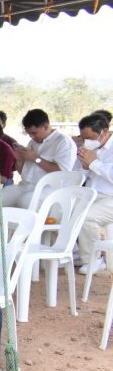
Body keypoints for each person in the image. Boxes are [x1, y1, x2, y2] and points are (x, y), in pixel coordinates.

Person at [0, 108, 76, 210]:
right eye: (29, 134)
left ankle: (21, 225)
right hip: (25, 186)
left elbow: (62, 172)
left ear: (45, 127)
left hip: (48, 189)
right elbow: (23, 172)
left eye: (34, 133)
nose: (31, 137)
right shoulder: (33, 142)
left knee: (25, 201)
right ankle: (2, 226)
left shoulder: (63, 142)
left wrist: (36, 159)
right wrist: (19, 160)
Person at [76, 112, 113, 275]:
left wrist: (94, 163)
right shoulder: (94, 148)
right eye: (84, 138)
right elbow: (87, 174)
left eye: (91, 137)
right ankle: (73, 252)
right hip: (94, 195)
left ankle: (94, 259)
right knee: (65, 208)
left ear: (104, 131)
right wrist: (86, 166)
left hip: (110, 198)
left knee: (86, 216)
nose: (87, 142)